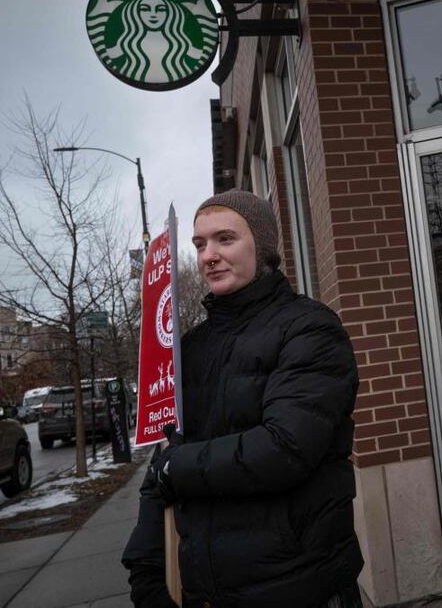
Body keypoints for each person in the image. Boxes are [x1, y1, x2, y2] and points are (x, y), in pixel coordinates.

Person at [121, 190, 364, 607]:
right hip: (207, 594)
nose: (207, 255)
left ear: (263, 248)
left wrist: (175, 467)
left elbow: (285, 448)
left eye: (224, 239)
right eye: (199, 244)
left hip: (297, 585)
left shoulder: (310, 329)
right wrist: (146, 576)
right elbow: (160, 470)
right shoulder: (188, 350)